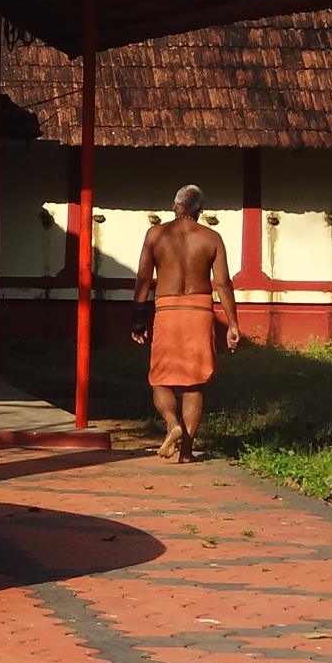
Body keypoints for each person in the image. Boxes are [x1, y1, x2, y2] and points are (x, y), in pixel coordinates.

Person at [130, 184, 240, 463]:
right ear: (200, 212)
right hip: (199, 310)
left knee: (160, 379)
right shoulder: (211, 237)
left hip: (167, 309)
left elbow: (143, 280)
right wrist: (232, 324)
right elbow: (223, 284)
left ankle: (172, 424)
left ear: (174, 206)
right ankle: (187, 452)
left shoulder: (155, 235)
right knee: (194, 384)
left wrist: (138, 319)